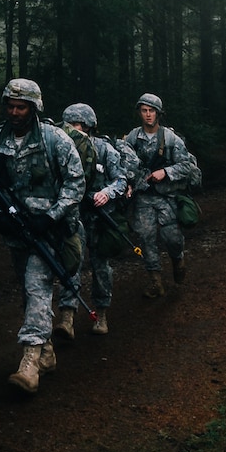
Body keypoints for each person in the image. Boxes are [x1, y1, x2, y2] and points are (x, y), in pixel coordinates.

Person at [0, 79, 84, 393]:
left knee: (37, 288)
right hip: (17, 235)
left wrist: (51, 216)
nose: (15, 112)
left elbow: (75, 183)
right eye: (11, 106)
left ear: (34, 108)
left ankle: (29, 363)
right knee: (29, 294)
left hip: (48, 234)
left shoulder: (54, 139)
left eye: (21, 107)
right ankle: (47, 350)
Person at [61, 103, 131, 335]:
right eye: (69, 125)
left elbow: (121, 180)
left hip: (100, 218)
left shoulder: (104, 149)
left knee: (101, 267)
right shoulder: (62, 148)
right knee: (71, 264)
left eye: (77, 125)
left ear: (89, 126)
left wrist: (106, 193)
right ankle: (67, 317)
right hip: (75, 216)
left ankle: (101, 314)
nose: (73, 129)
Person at [122, 92, 199, 297]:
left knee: (172, 237)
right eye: (144, 110)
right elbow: (125, 165)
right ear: (139, 112)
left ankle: (177, 260)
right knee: (146, 238)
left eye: (152, 111)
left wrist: (165, 172)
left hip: (167, 196)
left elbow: (187, 167)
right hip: (144, 197)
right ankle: (155, 281)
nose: (148, 115)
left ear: (158, 114)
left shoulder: (171, 139)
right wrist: (129, 184)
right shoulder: (132, 137)